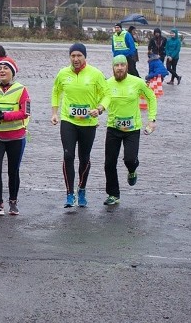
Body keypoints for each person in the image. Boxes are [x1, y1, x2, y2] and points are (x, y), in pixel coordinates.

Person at [50, 42, 110, 208]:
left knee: (84, 158)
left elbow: (107, 94)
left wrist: (100, 108)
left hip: (88, 123)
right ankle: (69, 193)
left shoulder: (95, 74)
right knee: (68, 155)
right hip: (68, 120)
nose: (75, 59)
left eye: (79, 56)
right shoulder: (63, 73)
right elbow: (56, 91)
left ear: (85, 57)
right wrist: (54, 113)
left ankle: (81, 188)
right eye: (73, 56)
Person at [103, 55, 158, 206]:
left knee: (129, 159)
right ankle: (113, 194)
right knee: (109, 163)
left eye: (122, 65)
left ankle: (132, 170)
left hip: (132, 129)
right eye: (116, 65)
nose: (119, 68)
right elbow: (99, 101)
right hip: (113, 128)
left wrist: (152, 120)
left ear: (127, 66)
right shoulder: (107, 84)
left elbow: (151, 97)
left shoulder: (137, 82)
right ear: (112, 68)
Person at [0, 59, 30, 216]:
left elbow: (25, 112)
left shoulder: (21, 89)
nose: (2, 71)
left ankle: (13, 202)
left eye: (6, 69)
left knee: (13, 171)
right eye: (0, 68)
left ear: (13, 73)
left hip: (16, 136)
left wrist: (5, 116)